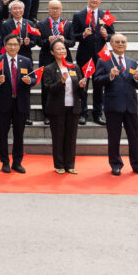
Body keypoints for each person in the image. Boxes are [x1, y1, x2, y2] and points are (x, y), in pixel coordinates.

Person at [94, 33, 138, 176]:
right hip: (113, 105)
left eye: (123, 41)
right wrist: (109, 76)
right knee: (114, 137)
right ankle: (115, 164)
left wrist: (137, 78)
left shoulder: (131, 62)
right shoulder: (104, 61)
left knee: (134, 137)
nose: (120, 44)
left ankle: (137, 164)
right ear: (111, 43)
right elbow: (97, 81)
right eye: (117, 41)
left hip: (130, 105)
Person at [0, 35, 36, 173]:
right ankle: (4, 161)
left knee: (19, 134)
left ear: (19, 46)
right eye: (9, 44)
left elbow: (34, 78)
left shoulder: (26, 61)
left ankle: (17, 162)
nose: (12, 47)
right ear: (5, 46)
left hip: (20, 103)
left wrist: (31, 81)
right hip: (3, 104)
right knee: (3, 134)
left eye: (15, 44)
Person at [41, 39, 85, 174]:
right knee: (58, 136)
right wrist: (61, 82)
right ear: (52, 52)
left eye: (63, 49)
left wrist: (82, 86)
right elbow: (48, 88)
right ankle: (59, 164)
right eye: (58, 49)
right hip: (57, 108)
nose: (62, 51)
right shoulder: (49, 69)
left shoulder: (74, 67)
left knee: (71, 137)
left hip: (73, 107)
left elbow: (79, 91)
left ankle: (70, 164)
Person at [72, 0, 114, 126]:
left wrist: (106, 36)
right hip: (85, 55)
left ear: (100, 0)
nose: (94, 0)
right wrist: (83, 35)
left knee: (99, 86)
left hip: (101, 57)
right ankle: (82, 114)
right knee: (83, 85)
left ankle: (98, 114)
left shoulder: (105, 16)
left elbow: (113, 36)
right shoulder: (78, 15)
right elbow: (73, 36)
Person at [37, 0, 75, 125]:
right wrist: (47, 41)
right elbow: (38, 42)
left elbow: (72, 42)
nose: (55, 10)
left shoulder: (67, 24)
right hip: (47, 59)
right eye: (52, 8)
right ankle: (46, 114)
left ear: (61, 9)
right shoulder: (41, 24)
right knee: (46, 87)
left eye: (57, 8)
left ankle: (65, 110)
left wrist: (64, 41)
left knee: (66, 85)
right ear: (48, 9)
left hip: (64, 58)